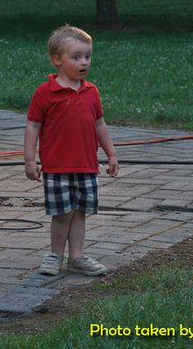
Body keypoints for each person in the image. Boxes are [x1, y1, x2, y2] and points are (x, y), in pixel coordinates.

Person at [24, 25, 119, 277]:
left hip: (86, 165)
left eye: (87, 56)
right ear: (57, 60)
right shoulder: (45, 93)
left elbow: (100, 124)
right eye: (76, 57)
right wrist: (29, 160)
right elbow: (33, 126)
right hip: (57, 167)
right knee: (62, 213)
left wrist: (111, 154)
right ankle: (55, 254)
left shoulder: (92, 92)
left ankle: (77, 257)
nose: (84, 62)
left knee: (79, 212)